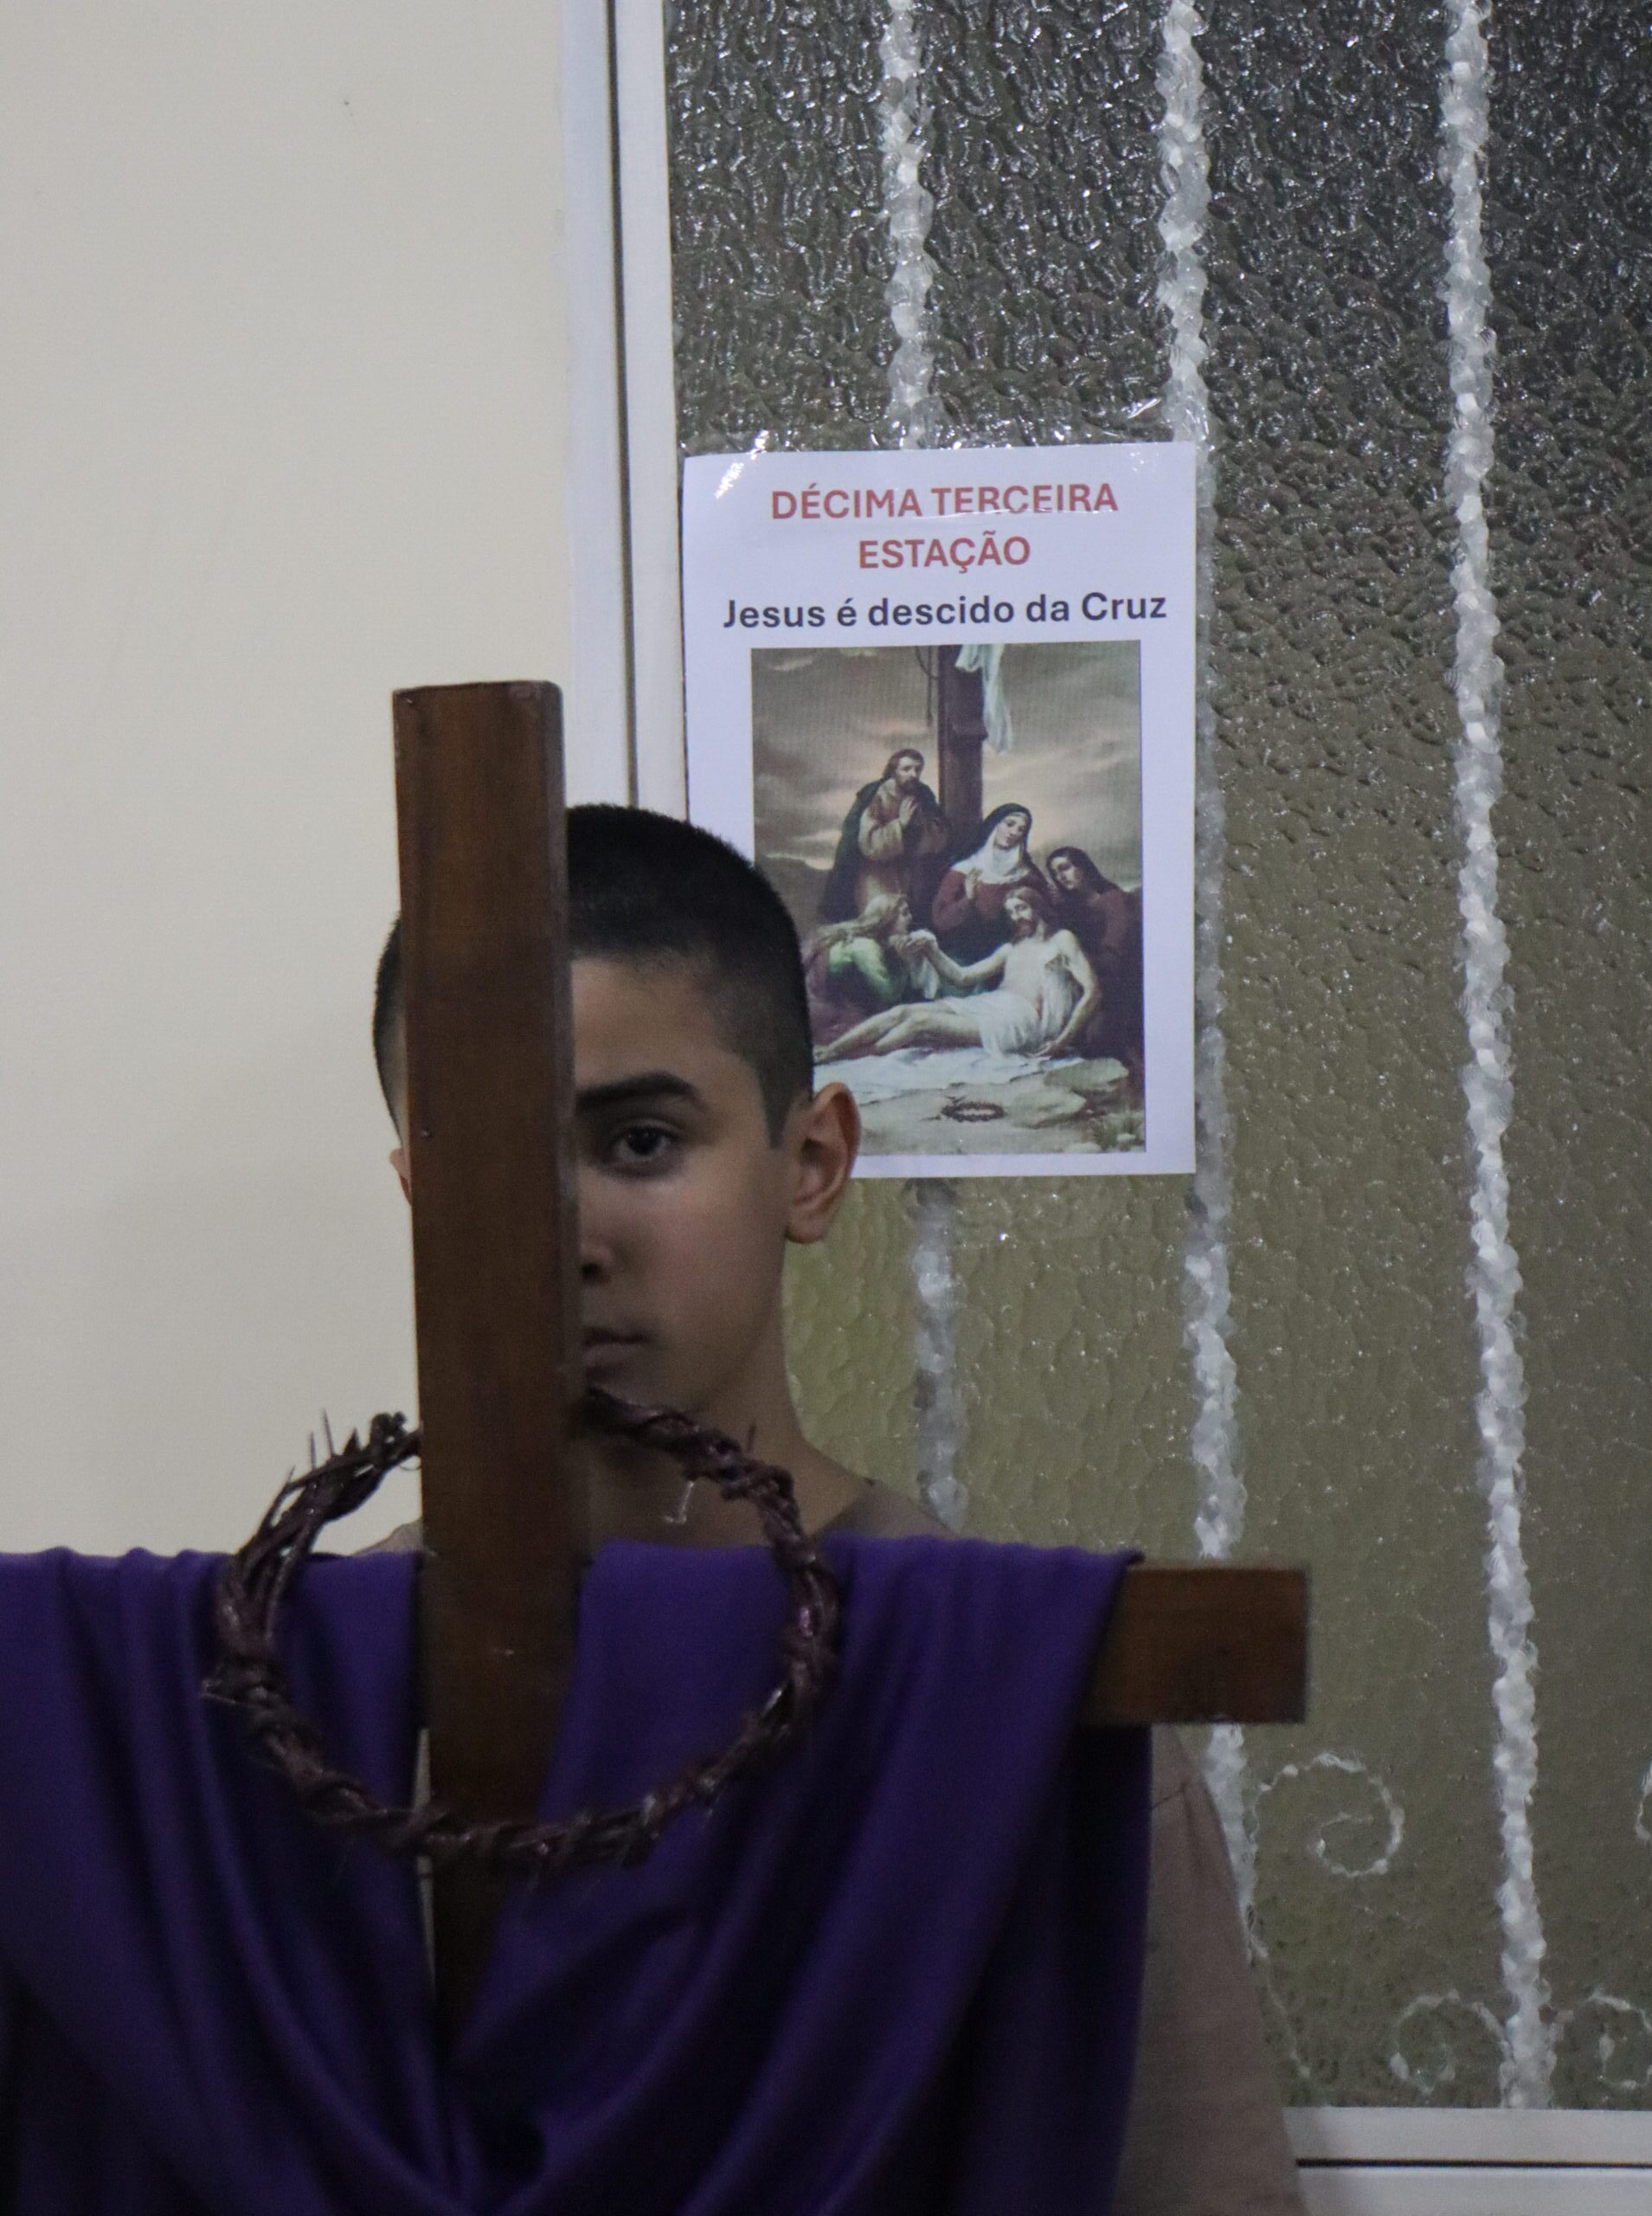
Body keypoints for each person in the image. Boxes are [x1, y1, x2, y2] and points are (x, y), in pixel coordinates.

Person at [370, 804, 1302, 2214]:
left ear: (809, 1165)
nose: (566, 1237)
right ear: (417, 1198)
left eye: (640, 1142)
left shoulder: (1025, 1692)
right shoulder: (324, 1689)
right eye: (487, 1167)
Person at [815, 886, 1100, 1063]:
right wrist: (931, 949)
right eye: (1011, 912)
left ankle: (851, 1057)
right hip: (991, 1004)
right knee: (902, 1012)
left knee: (920, 1022)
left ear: (1038, 907)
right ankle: (831, 1051)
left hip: (1019, 1021)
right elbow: (962, 978)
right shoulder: (1010, 948)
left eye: (1021, 908)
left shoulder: (1062, 940)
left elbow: (1092, 993)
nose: (1016, 917)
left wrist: (1061, 1042)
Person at [1046, 845, 1145, 1092]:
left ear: (1083, 867)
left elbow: (1116, 956)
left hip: (1118, 988)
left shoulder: (1114, 901)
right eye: (1056, 873)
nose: (1061, 877)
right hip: (1085, 983)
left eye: (1065, 868)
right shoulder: (1071, 908)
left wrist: (1079, 962)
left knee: (1096, 1038)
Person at [819, 747, 948, 926]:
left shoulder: (923, 797)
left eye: (918, 769)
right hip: (877, 880)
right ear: (893, 771)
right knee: (879, 927)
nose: (913, 775)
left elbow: (938, 840)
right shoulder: (877, 797)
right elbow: (870, 845)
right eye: (906, 769)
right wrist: (900, 824)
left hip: (910, 880)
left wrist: (919, 828)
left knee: (906, 928)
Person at [801, 892, 940, 1047]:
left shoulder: (879, 946)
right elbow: (889, 994)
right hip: (822, 1005)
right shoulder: (866, 947)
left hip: (841, 1000)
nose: (910, 918)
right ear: (888, 918)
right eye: (904, 913)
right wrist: (903, 960)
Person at [929, 802, 1049, 960]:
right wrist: (968, 899)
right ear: (994, 825)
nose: (1014, 832)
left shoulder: (1027, 874)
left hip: (1018, 952)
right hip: (969, 954)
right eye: (1010, 824)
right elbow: (940, 921)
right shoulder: (964, 870)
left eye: (1021, 829)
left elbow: (1045, 914)